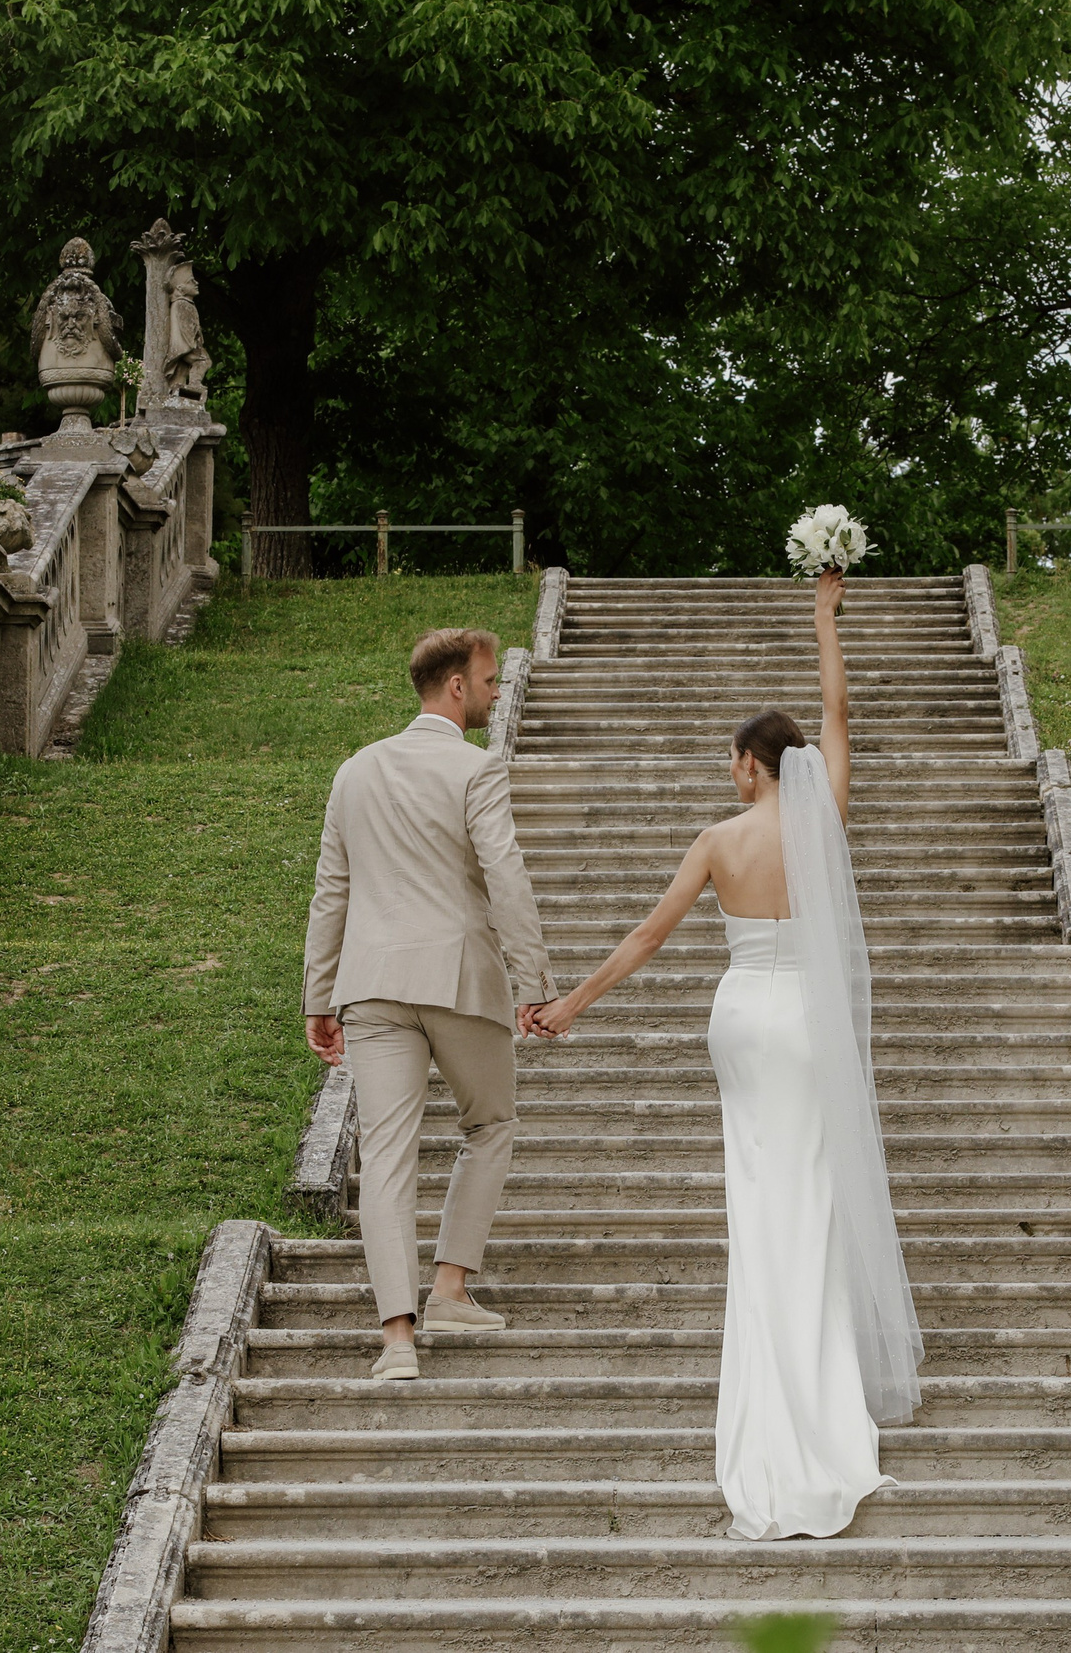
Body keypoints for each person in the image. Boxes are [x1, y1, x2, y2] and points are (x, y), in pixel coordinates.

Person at [533, 570, 923, 1539]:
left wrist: (571, 1005)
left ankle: (767, 1390)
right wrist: (821, 617)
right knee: (813, 1196)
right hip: (808, 1024)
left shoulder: (716, 840)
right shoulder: (823, 818)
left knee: (758, 1202)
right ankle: (821, 1395)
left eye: (732, 760)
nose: (728, 772)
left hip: (743, 1020)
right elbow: (836, 712)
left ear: (752, 764)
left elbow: (645, 938)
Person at [303, 628, 559, 1382]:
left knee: (385, 1154)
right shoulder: (477, 768)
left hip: (373, 984)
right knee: (492, 1123)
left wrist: (319, 994)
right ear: (454, 685)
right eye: (488, 680)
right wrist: (534, 980)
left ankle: (397, 1343)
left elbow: (332, 892)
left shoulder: (354, 771)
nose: (494, 691)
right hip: (457, 978)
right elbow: (504, 875)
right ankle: (449, 1287)